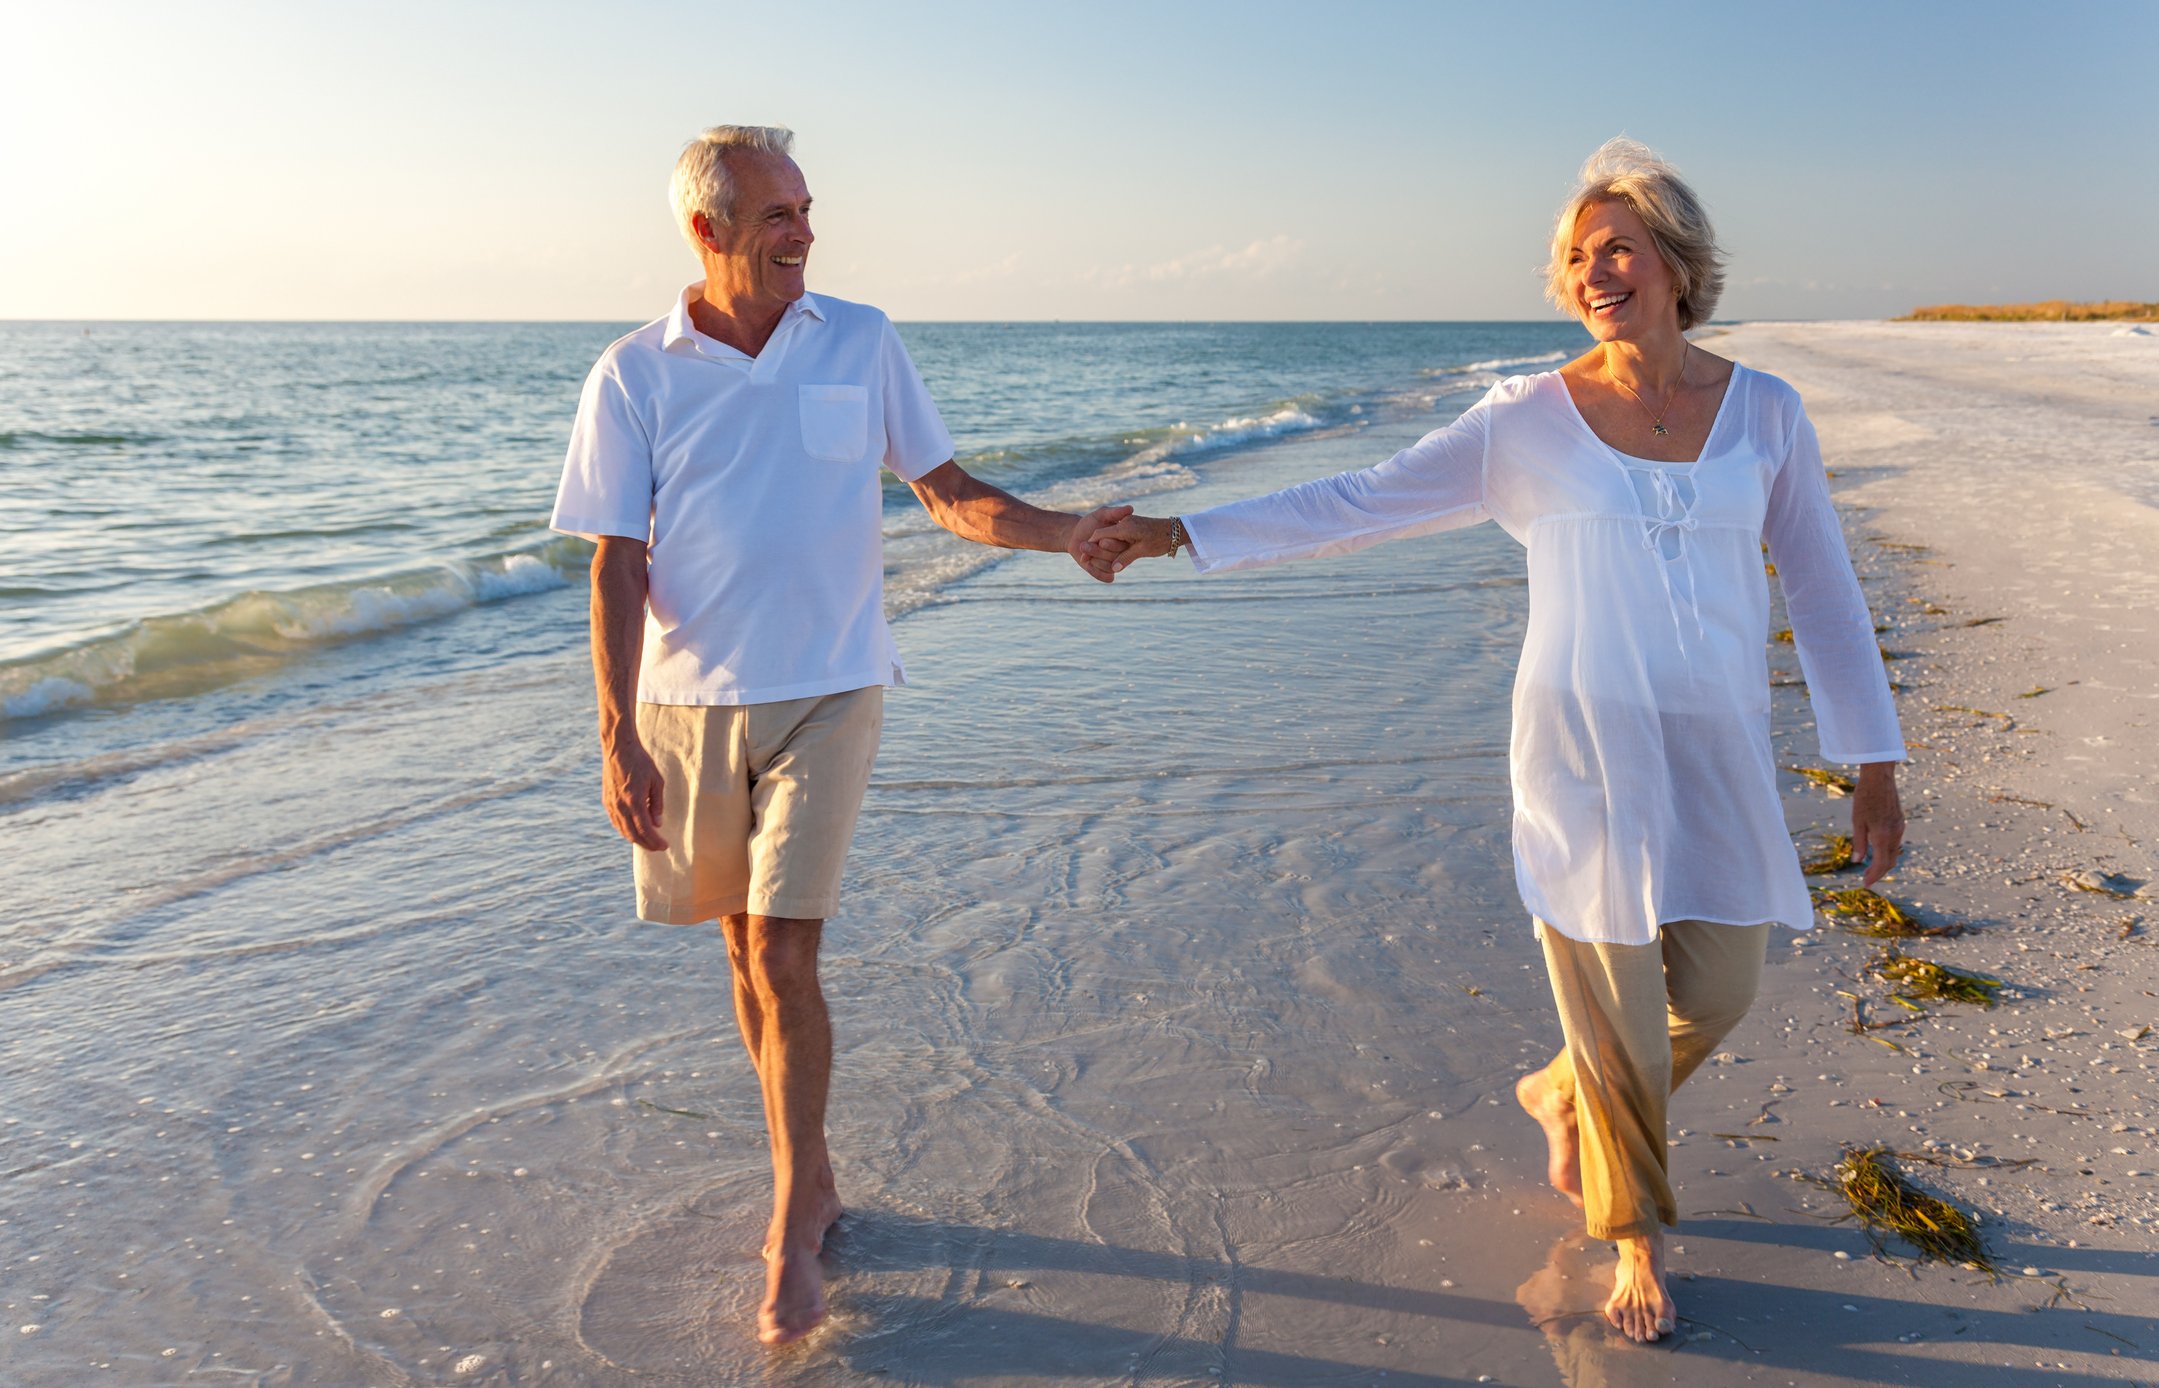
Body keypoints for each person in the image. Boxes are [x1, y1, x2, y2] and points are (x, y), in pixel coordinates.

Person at [1082, 138, 1905, 1344]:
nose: (1591, 268)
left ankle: (1560, 1088)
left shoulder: (1765, 413)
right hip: (1579, 750)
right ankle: (1636, 1236)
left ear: (1677, 261)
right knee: (1616, 1000)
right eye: (1574, 255)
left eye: (1615, 245)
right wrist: (1175, 532)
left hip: (1716, 751)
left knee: (1719, 986)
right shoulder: (1524, 418)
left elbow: (1823, 592)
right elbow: (1357, 499)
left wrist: (1872, 763)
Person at [550, 124, 1128, 1347]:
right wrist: (615, 732)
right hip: (685, 704)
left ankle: (788, 1214)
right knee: (740, 956)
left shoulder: (858, 338)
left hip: (833, 687)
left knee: (787, 954)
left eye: (807, 207)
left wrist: (1065, 529)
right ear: (706, 231)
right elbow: (615, 563)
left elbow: (946, 490)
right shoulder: (632, 372)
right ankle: (806, 1164)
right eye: (776, 215)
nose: (803, 231)